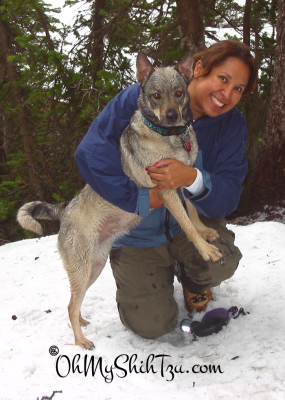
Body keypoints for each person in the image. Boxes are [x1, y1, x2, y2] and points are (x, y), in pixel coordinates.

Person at [74, 40, 258, 339]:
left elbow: (228, 195)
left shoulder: (231, 124)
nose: (227, 94)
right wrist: (139, 198)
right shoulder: (143, 97)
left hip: (191, 223)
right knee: (152, 325)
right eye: (223, 79)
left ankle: (193, 279)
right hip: (138, 232)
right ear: (197, 69)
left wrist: (191, 177)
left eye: (238, 88)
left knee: (219, 262)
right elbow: (91, 154)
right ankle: (147, 281)